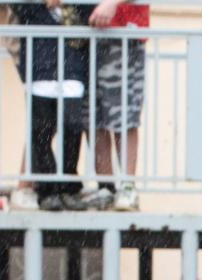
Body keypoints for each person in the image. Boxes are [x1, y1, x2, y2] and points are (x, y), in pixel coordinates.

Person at [9, 0, 95, 210]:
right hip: (40, 64)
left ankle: (67, 186)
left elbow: (90, 10)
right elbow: (20, 7)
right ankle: (47, 188)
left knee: (73, 126)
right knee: (41, 131)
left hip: (73, 65)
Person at [87, 0, 148, 211]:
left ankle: (128, 187)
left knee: (125, 115)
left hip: (124, 34)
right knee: (95, 118)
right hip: (88, 34)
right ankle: (106, 187)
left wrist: (112, 3)